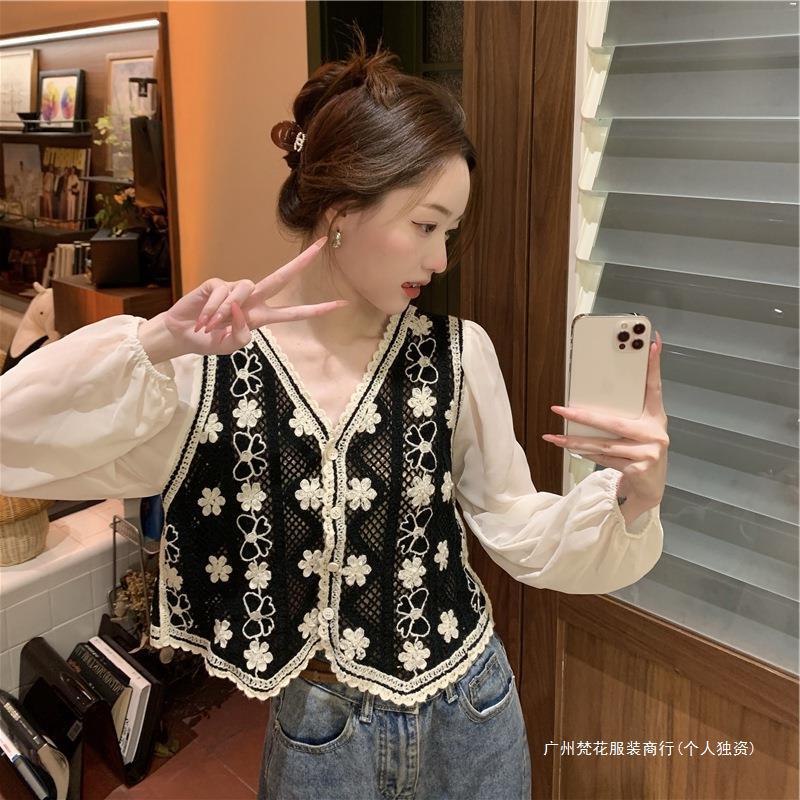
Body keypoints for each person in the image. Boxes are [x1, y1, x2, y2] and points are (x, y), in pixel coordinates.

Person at [0, 28, 668, 800]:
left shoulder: (458, 355)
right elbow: (17, 438)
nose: (441, 259)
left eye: (450, 232)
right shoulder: (203, 373)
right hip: (322, 738)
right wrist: (153, 345)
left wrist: (633, 497)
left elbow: (515, 524)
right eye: (426, 226)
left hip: (473, 713)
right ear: (343, 210)